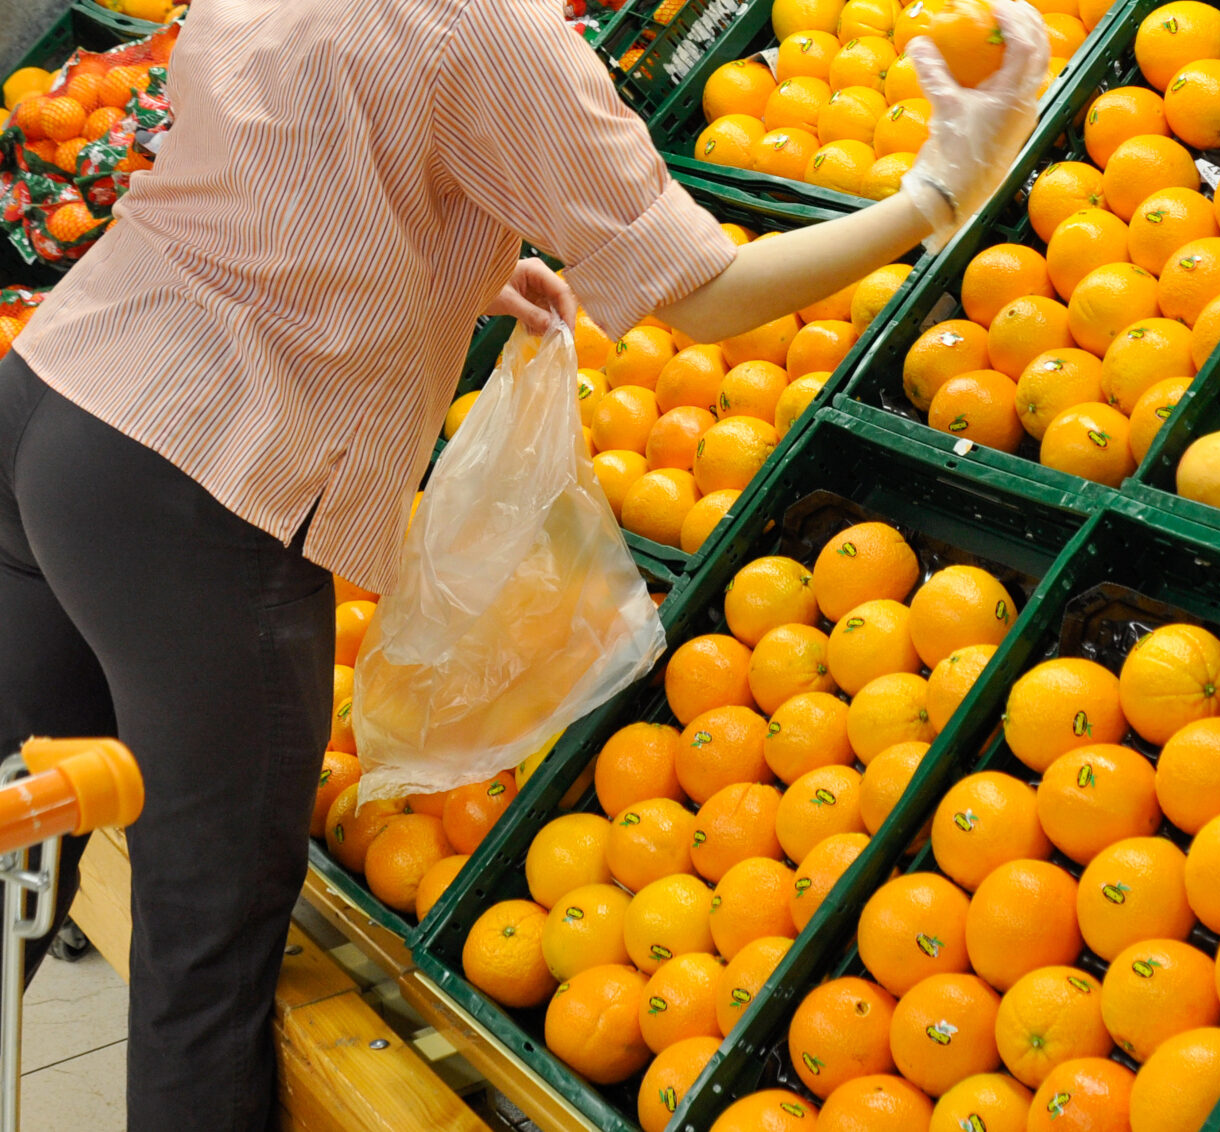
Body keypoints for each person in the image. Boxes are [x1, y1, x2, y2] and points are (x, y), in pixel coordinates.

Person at [0, 0, 1048, 1123]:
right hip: (198, 487)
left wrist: (443, 257)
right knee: (202, 959)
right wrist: (934, 195)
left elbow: (286, 139)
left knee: (14, 825)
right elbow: (703, 296)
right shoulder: (496, 30)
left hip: (56, 398)